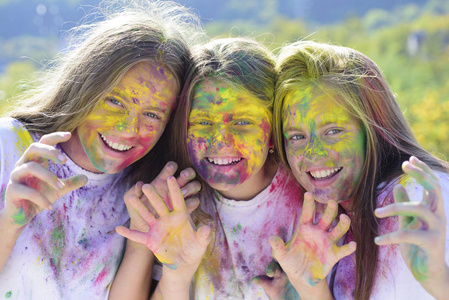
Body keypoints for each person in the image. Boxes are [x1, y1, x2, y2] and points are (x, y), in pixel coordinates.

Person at [115, 37, 356, 300]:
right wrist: (176, 274)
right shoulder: (176, 206)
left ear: (274, 131)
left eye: (243, 122)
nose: (221, 141)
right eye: (204, 122)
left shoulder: (315, 202)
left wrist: (311, 290)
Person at [0, 0, 203, 299]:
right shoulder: (9, 145)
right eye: (115, 101)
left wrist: (140, 244)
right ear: (86, 85)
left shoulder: (144, 193)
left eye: (152, 115)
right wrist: (9, 223)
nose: (128, 129)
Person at [272, 40, 449, 299]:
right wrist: (310, 289)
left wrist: (441, 281)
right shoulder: (328, 219)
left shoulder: (418, 194)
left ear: (374, 130)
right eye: (297, 136)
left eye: (333, 131)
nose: (313, 153)